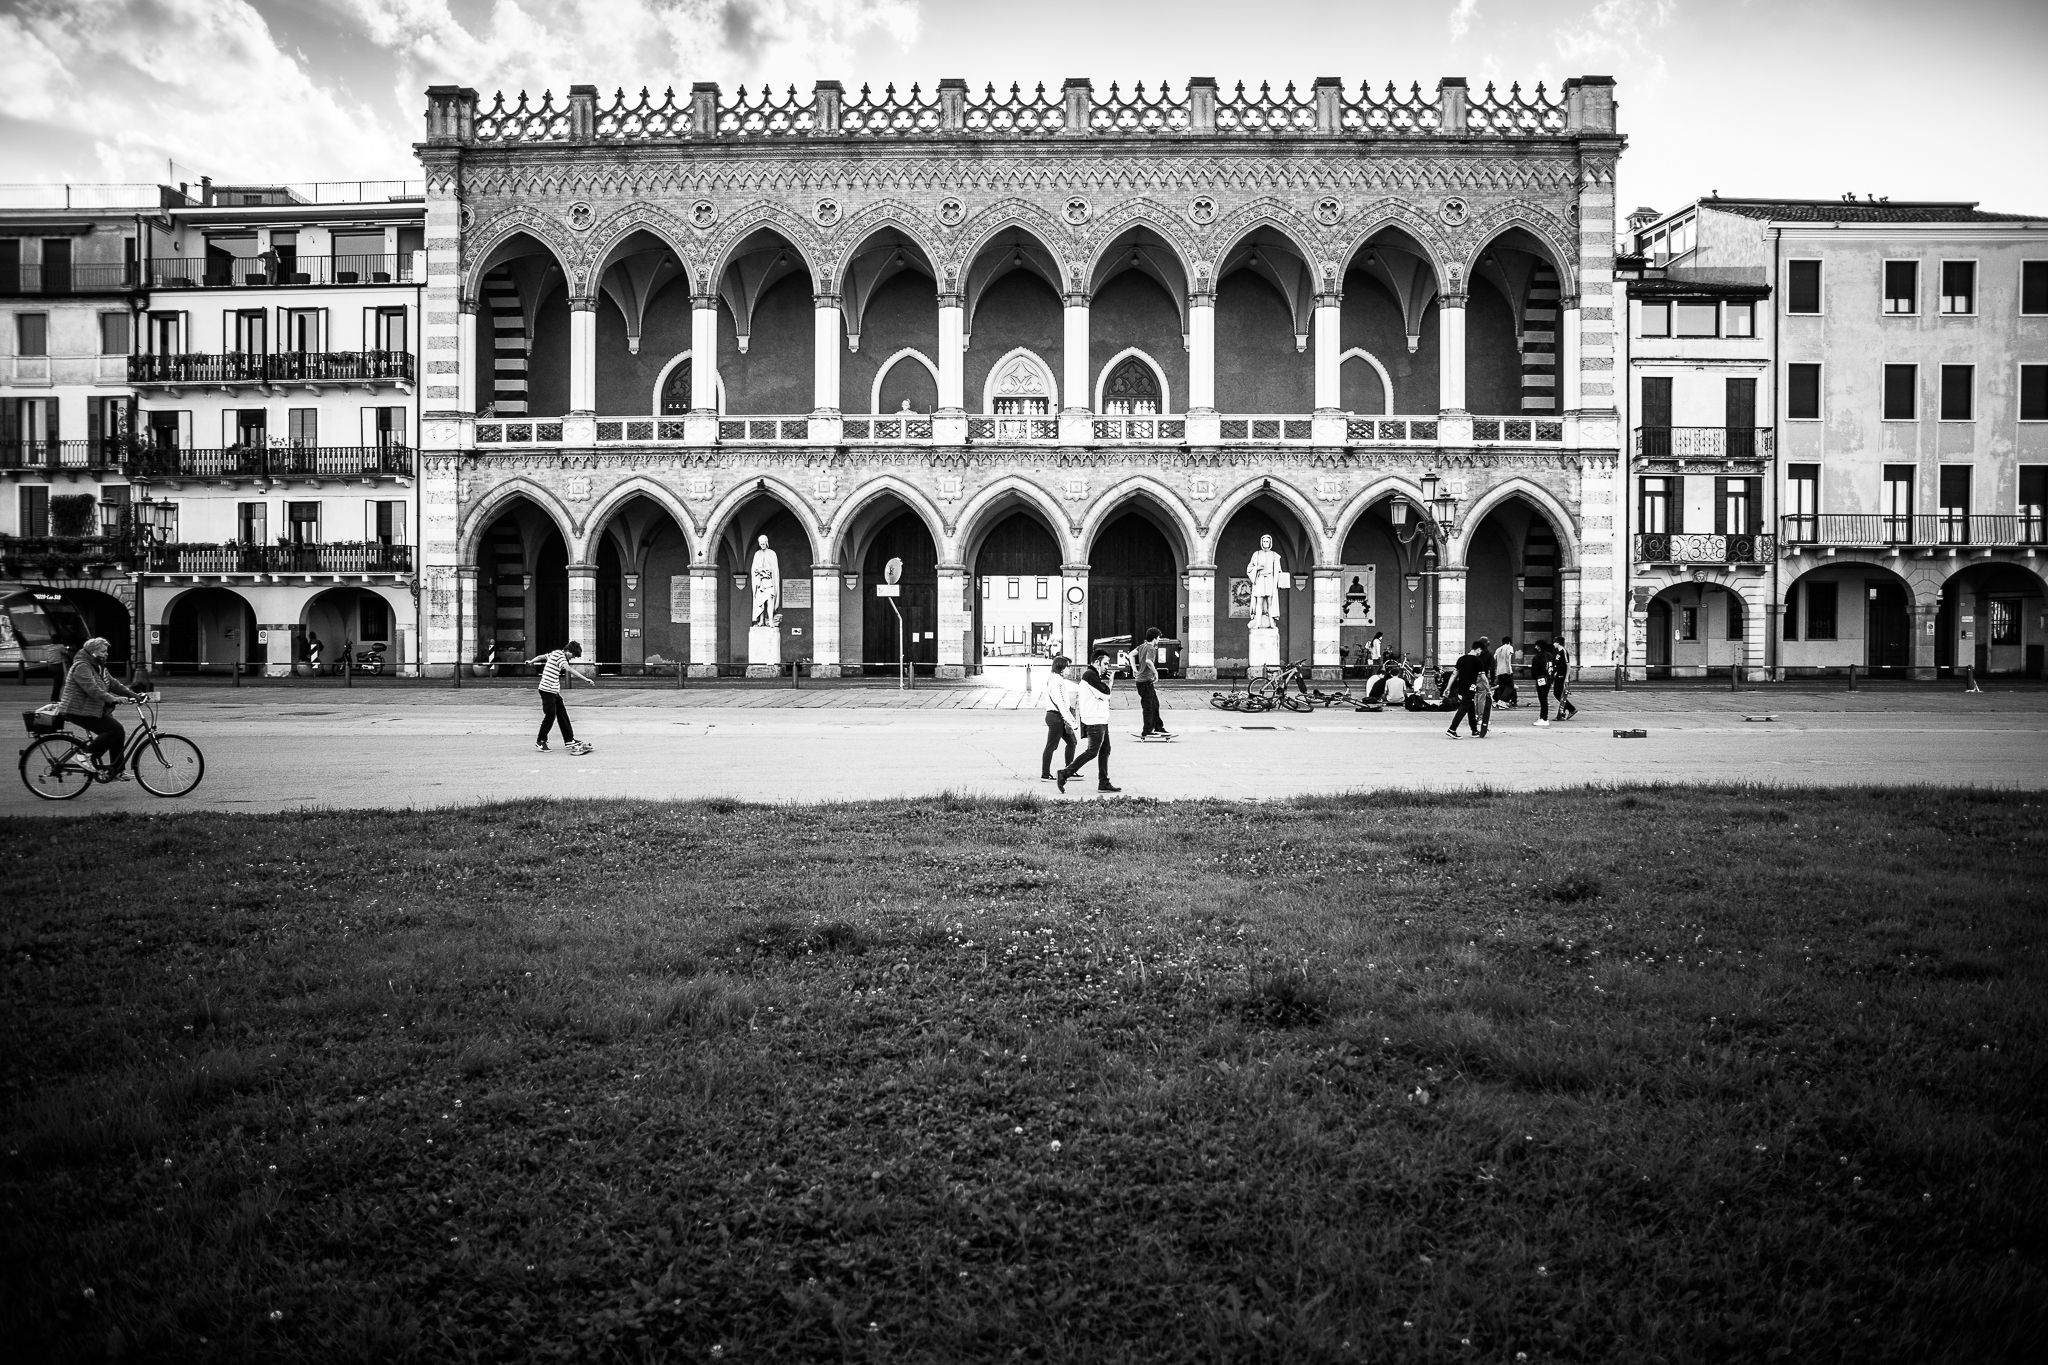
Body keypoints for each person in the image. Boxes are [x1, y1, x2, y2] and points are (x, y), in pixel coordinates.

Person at [61, 636, 142, 780]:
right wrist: (113, 699)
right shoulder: (82, 666)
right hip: (76, 710)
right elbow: (92, 689)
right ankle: (84, 755)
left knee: (118, 732)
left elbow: (114, 684)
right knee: (114, 729)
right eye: (103, 651)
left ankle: (116, 770)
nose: (106, 654)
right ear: (93, 652)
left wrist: (135, 695)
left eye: (106, 651)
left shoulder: (98, 667)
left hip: (90, 709)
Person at [1057, 647, 1119, 794]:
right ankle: (1065, 773)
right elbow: (1104, 694)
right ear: (1097, 662)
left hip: (1100, 719)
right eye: (1105, 663)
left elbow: (1103, 694)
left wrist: (1107, 684)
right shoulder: (1090, 675)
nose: (1107, 667)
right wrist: (1110, 682)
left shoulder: (1093, 676)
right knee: (1092, 752)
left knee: (1105, 750)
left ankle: (1103, 782)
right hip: (1094, 720)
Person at [531, 640, 594, 754]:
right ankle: (541, 741)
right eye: (572, 655)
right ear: (568, 650)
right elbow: (568, 669)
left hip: (553, 691)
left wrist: (531, 661)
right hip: (547, 690)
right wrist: (586, 679)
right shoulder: (561, 656)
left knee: (562, 714)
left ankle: (569, 740)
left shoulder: (555, 653)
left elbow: (541, 656)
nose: (572, 658)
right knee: (550, 715)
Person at [1129, 626, 1180, 738]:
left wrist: (1134, 669)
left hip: (1144, 681)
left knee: (1155, 704)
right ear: (1155, 638)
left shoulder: (1142, 646)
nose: (1159, 640)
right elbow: (1148, 661)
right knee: (1149, 707)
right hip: (1145, 681)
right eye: (1158, 638)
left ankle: (1159, 727)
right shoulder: (1151, 648)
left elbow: (1131, 654)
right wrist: (1155, 672)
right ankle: (1147, 730)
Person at [1038, 654, 1080, 781]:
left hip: (1057, 717)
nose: (1069, 670)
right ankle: (1045, 774)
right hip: (1056, 717)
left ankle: (1069, 770)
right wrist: (1073, 722)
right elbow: (1061, 704)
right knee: (1051, 746)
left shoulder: (1055, 679)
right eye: (1067, 667)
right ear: (1061, 668)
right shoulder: (1056, 682)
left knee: (1072, 742)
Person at [1444, 640, 1488, 739]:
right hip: (1470, 687)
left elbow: (1454, 674)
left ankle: (1474, 731)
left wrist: (1448, 688)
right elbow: (1483, 678)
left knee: (1470, 708)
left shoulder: (1461, 659)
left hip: (1461, 687)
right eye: (1480, 651)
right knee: (1463, 708)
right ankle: (1452, 729)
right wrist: (1488, 689)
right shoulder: (1477, 661)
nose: (1480, 653)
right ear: (1478, 649)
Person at [1549, 639, 1578, 721]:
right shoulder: (1558, 652)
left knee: (1559, 694)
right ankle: (1562, 713)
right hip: (1557, 676)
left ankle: (1571, 709)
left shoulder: (1563, 652)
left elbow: (1568, 665)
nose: (1553, 644)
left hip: (1562, 677)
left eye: (1554, 642)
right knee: (1558, 694)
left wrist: (1566, 678)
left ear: (1558, 643)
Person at [1530, 639, 1555, 726]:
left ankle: (1544, 718)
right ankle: (1543, 717)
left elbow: (1534, 671)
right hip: (1549, 679)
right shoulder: (1549, 656)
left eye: (1536, 646)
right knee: (1544, 698)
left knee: (1543, 699)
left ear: (1539, 647)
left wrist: (1535, 677)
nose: (1535, 647)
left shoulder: (1537, 657)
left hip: (1541, 679)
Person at [1493, 635, 1519, 708]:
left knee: (1502, 687)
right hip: (1506, 670)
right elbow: (1508, 657)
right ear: (1509, 642)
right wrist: (1508, 668)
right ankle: (1502, 700)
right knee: (1510, 685)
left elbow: (1494, 658)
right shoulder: (1509, 647)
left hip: (1499, 670)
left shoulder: (1498, 649)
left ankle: (1500, 702)